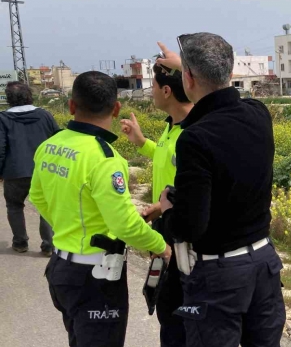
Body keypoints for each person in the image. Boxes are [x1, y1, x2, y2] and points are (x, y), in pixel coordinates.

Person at [156, 33, 285, 347]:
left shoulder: (196, 138)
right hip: (263, 262)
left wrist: (167, 210)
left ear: (187, 78)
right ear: (230, 72)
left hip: (219, 274)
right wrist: (186, 66)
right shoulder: (258, 114)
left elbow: (190, 225)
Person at [29, 71, 172, 347]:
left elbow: (37, 195)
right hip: (94, 277)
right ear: (116, 109)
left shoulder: (49, 146)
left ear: (72, 106)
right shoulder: (105, 158)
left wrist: (68, 226)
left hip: (61, 270)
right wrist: (160, 246)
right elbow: (123, 224)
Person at [120, 63, 193, 347]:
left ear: (166, 90)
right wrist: (141, 142)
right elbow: (168, 157)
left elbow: (189, 188)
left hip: (181, 231)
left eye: (152, 85)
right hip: (164, 224)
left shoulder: (193, 132)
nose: (150, 91)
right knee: (164, 302)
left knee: (177, 308)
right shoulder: (171, 127)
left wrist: (159, 209)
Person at [0, 82, 58, 255]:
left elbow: (1, 148)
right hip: (44, 170)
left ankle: (20, 243)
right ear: (29, 95)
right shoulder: (45, 115)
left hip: (14, 171)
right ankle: (49, 245)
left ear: (8, 99)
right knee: (46, 207)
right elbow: (58, 140)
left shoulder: (3, 119)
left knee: (14, 206)